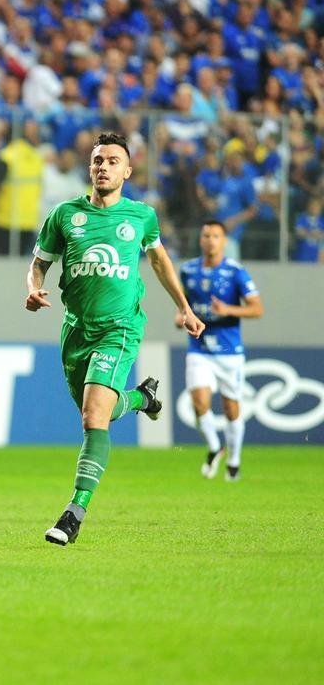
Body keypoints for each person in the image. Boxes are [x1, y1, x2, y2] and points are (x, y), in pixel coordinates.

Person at [25, 131, 205, 547]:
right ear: (90, 168)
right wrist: (33, 287)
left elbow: (159, 260)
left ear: (127, 170)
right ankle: (142, 397)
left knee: (93, 417)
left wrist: (184, 305)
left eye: (111, 161)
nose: (102, 166)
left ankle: (74, 512)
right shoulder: (64, 215)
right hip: (75, 330)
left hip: (119, 327)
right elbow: (39, 264)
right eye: (97, 160)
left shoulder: (140, 216)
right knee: (96, 414)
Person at [179, 221, 263, 481]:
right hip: (199, 348)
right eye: (206, 235)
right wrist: (181, 315)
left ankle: (234, 460)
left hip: (229, 351)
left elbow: (257, 309)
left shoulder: (236, 272)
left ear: (224, 241)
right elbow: (183, 304)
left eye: (216, 236)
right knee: (199, 402)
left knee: (230, 407)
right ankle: (215, 447)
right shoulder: (188, 270)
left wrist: (229, 310)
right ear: (200, 239)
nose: (210, 240)